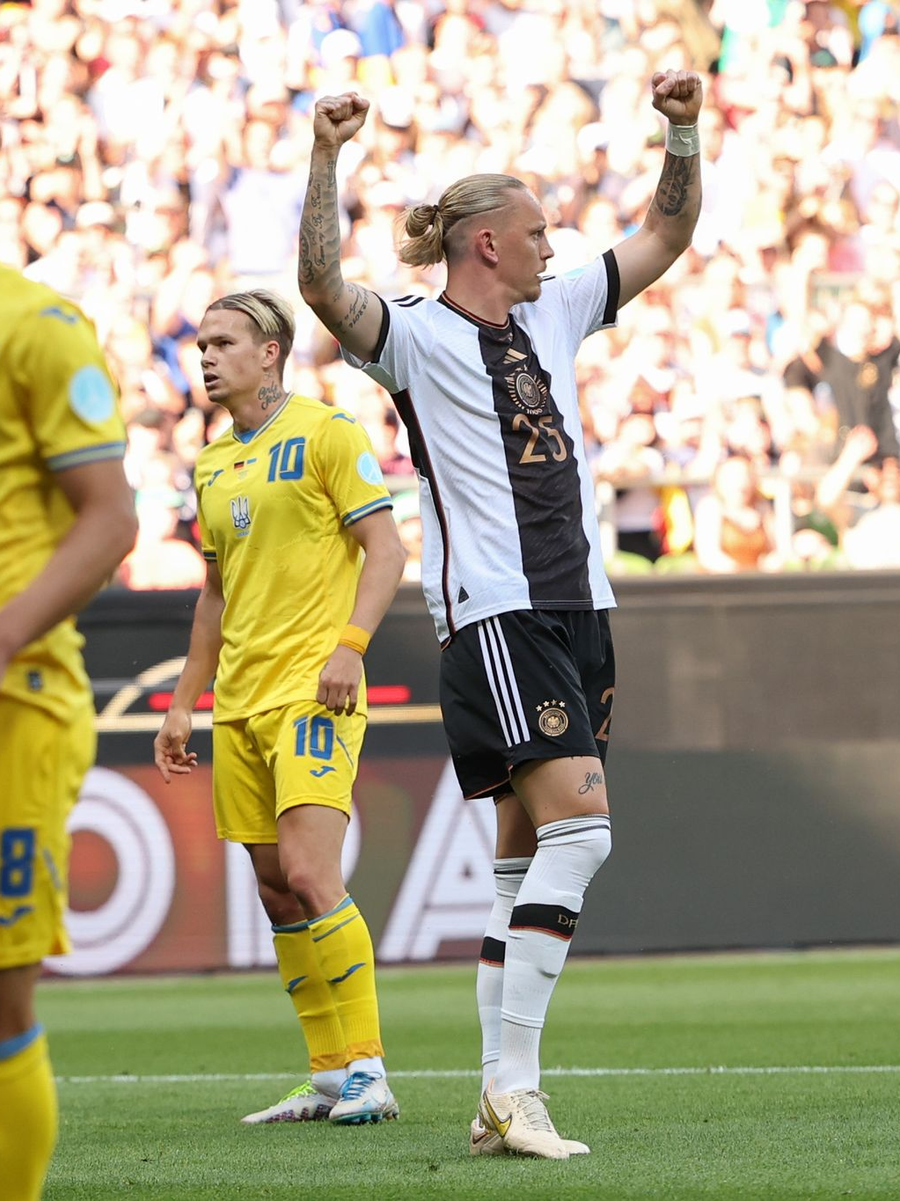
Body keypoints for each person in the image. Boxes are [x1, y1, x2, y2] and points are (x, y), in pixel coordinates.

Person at [297, 70, 703, 1158]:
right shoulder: (417, 332)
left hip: (581, 606)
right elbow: (323, 289)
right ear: (484, 243)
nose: (550, 247)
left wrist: (680, 129)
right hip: (499, 613)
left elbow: (666, 235)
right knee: (586, 833)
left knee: (526, 859)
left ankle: (495, 1100)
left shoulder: (558, 308)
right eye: (534, 232)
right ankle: (516, 1090)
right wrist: (327, 159)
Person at [152, 290, 405, 1126]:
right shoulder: (212, 464)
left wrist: (350, 645)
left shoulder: (328, 433)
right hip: (242, 703)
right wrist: (184, 703)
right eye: (202, 345)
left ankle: (371, 1067)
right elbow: (213, 597)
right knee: (272, 887)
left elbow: (386, 548)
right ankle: (330, 1073)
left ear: (271, 351)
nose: (207, 356)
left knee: (308, 870)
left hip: (313, 688)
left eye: (224, 342)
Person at [0, 267, 137, 1200]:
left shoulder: (38, 326)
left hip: (18, 697)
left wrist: (3, 634)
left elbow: (112, 517)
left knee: (2, 991)